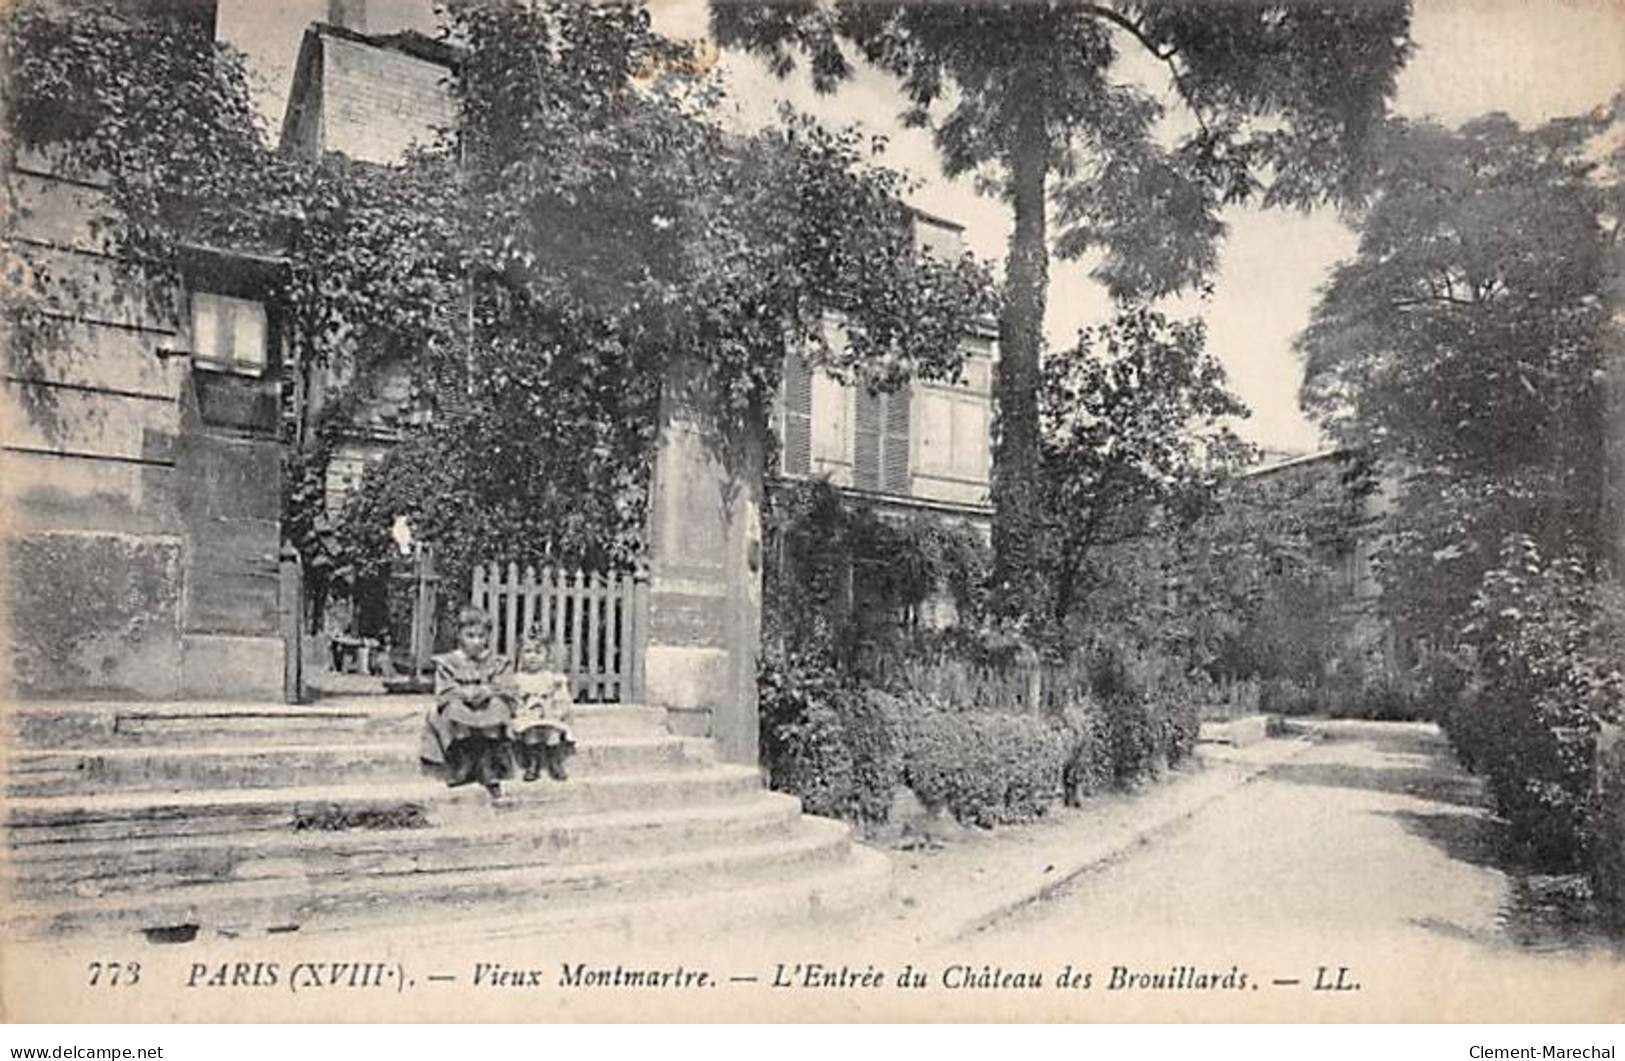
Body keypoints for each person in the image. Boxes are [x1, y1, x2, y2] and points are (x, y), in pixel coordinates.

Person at [420, 606, 515, 797]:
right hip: (461, 702)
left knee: (498, 707)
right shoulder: (449, 662)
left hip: (486, 702)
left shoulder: (495, 662)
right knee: (452, 711)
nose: (476, 642)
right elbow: (444, 690)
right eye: (470, 636)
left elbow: (505, 685)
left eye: (481, 636)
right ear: (459, 635)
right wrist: (463, 693)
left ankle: (487, 764)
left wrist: (487, 690)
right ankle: (464, 761)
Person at [512, 639, 576, 782]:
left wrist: (556, 709)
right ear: (520, 656)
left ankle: (555, 762)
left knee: (552, 732)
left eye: (538, 652)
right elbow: (515, 701)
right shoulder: (518, 679)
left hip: (548, 714)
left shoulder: (551, 678)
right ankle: (533, 763)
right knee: (531, 733)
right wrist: (521, 709)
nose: (533, 656)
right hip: (528, 715)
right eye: (528, 652)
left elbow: (561, 699)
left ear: (546, 656)